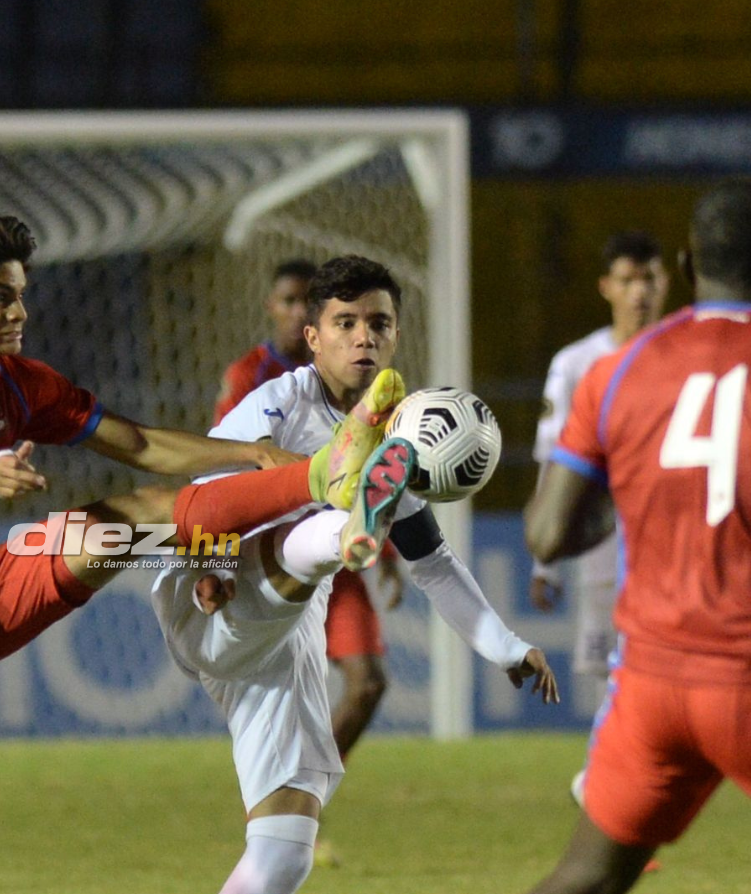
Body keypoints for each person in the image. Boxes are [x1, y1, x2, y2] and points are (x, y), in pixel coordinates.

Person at [0, 206, 379, 894]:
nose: (19, 310)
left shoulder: (16, 382)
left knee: (122, 524)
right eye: (1, 296)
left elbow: (139, 444)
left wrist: (256, 453)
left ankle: (314, 479)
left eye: (22, 293)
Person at [155, 255, 560, 894]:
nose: (363, 336)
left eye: (378, 322)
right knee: (314, 535)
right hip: (213, 591)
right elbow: (205, 491)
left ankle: (353, 516)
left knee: (284, 854)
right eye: (344, 323)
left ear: (397, 335)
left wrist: (506, 645)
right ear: (311, 338)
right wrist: (210, 563)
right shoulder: (277, 402)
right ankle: (351, 516)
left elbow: (435, 565)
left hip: (282, 644)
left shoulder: (412, 434)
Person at [521, 178, 751, 894]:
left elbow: (548, 533)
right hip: (744, 672)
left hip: (652, 682)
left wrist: (631, 493)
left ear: (685, 265)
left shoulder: (614, 372)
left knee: (584, 879)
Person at [214, 260, 405, 795]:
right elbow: (223, 468)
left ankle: (305, 798)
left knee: (366, 685)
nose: (299, 309)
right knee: (280, 694)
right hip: (266, 555)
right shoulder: (252, 380)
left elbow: (377, 473)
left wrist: (388, 557)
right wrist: (218, 558)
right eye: (290, 301)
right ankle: (276, 809)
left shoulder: (369, 388)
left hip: (337, 555)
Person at [527, 230, 670, 804]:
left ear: (668, 282)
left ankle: (610, 796)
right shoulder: (577, 364)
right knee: (615, 677)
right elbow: (552, 462)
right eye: (629, 280)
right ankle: (611, 795)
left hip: (669, 547)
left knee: (648, 677)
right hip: (601, 550)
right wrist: (546, 559)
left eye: (650, 278)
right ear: (607, 287)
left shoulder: (682, 352)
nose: (641, 292)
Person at [214, 259, 316, 424]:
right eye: (289, 301)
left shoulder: (335, 367)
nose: (301, 312)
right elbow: (225, 443)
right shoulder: (248, 372)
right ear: (271, 306)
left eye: (309, 301)